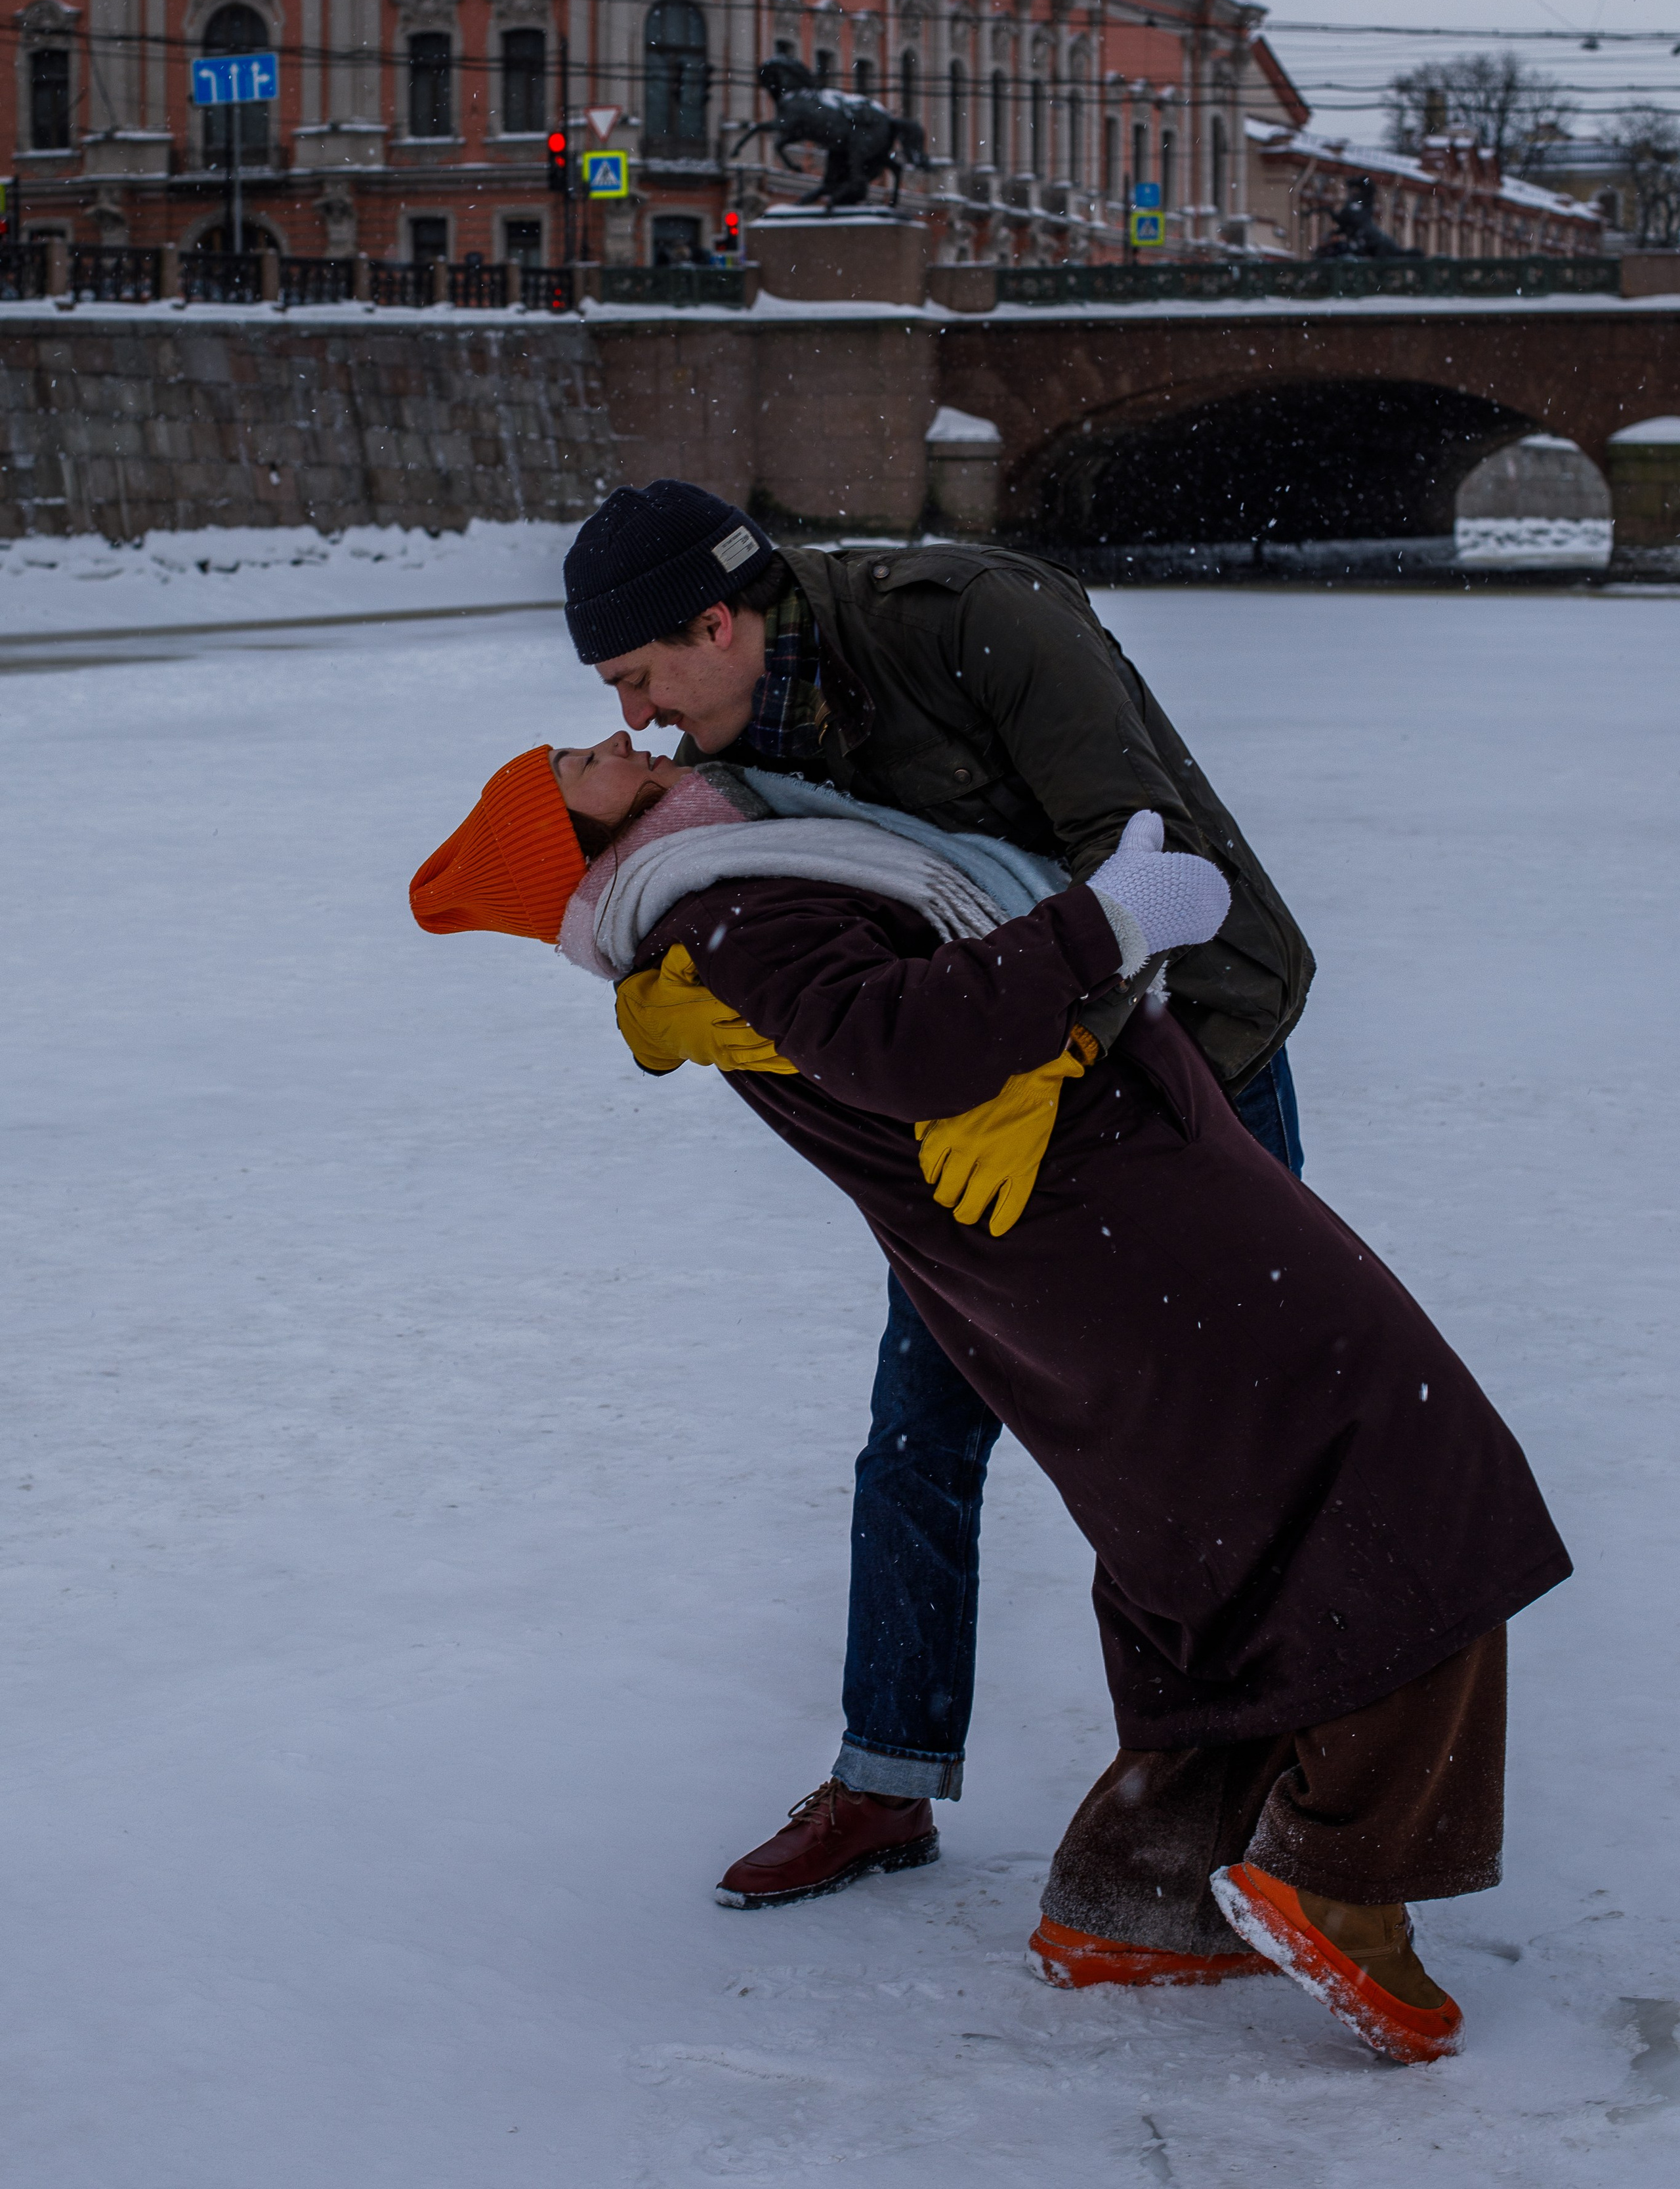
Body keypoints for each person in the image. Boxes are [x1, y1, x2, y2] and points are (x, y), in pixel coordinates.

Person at [409, 736, 1570, 2066]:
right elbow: (908, 1045)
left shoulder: (727, 880)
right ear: (578, 841)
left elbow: (893, 1012)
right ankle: (1344, 1875)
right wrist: (1107, 918)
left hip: (1069, 1236)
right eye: (576, 761)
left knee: (1202, 1537)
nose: (613, 734)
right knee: (1410, 1464)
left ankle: (1140, 1899)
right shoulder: (725, 901)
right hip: (1121, 1213)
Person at [558, 480, 1313, 1903]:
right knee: (916, 1435)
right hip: (984, 1102)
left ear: (717, 623)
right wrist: (664, 990)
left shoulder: (978, 622)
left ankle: (1274, 1798)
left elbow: (1159, 873)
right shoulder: (741, 741)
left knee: (1217, 1447)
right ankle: (883, 1780)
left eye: (638, 675)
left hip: (1190, 1056)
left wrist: (1056, 1062)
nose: (639, 716)